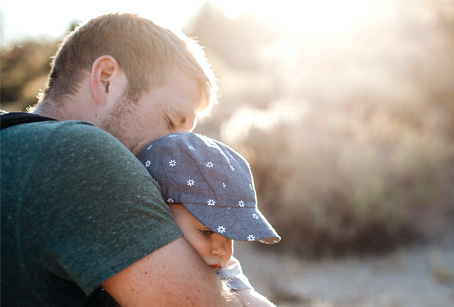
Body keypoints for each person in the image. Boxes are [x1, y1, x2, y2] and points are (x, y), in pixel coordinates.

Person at [1, 12, 247, 306]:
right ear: (106, 78)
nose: (180, 148)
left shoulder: (13, 141)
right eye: (171, 120)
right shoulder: (84, 155)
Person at [137, 132, 281, 306]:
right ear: (160, 211)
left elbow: (237, 281)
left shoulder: (218, 267)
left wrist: (246, 294)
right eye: (206, 232)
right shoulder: (136, 262)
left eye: (229, 237)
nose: (221, 251)